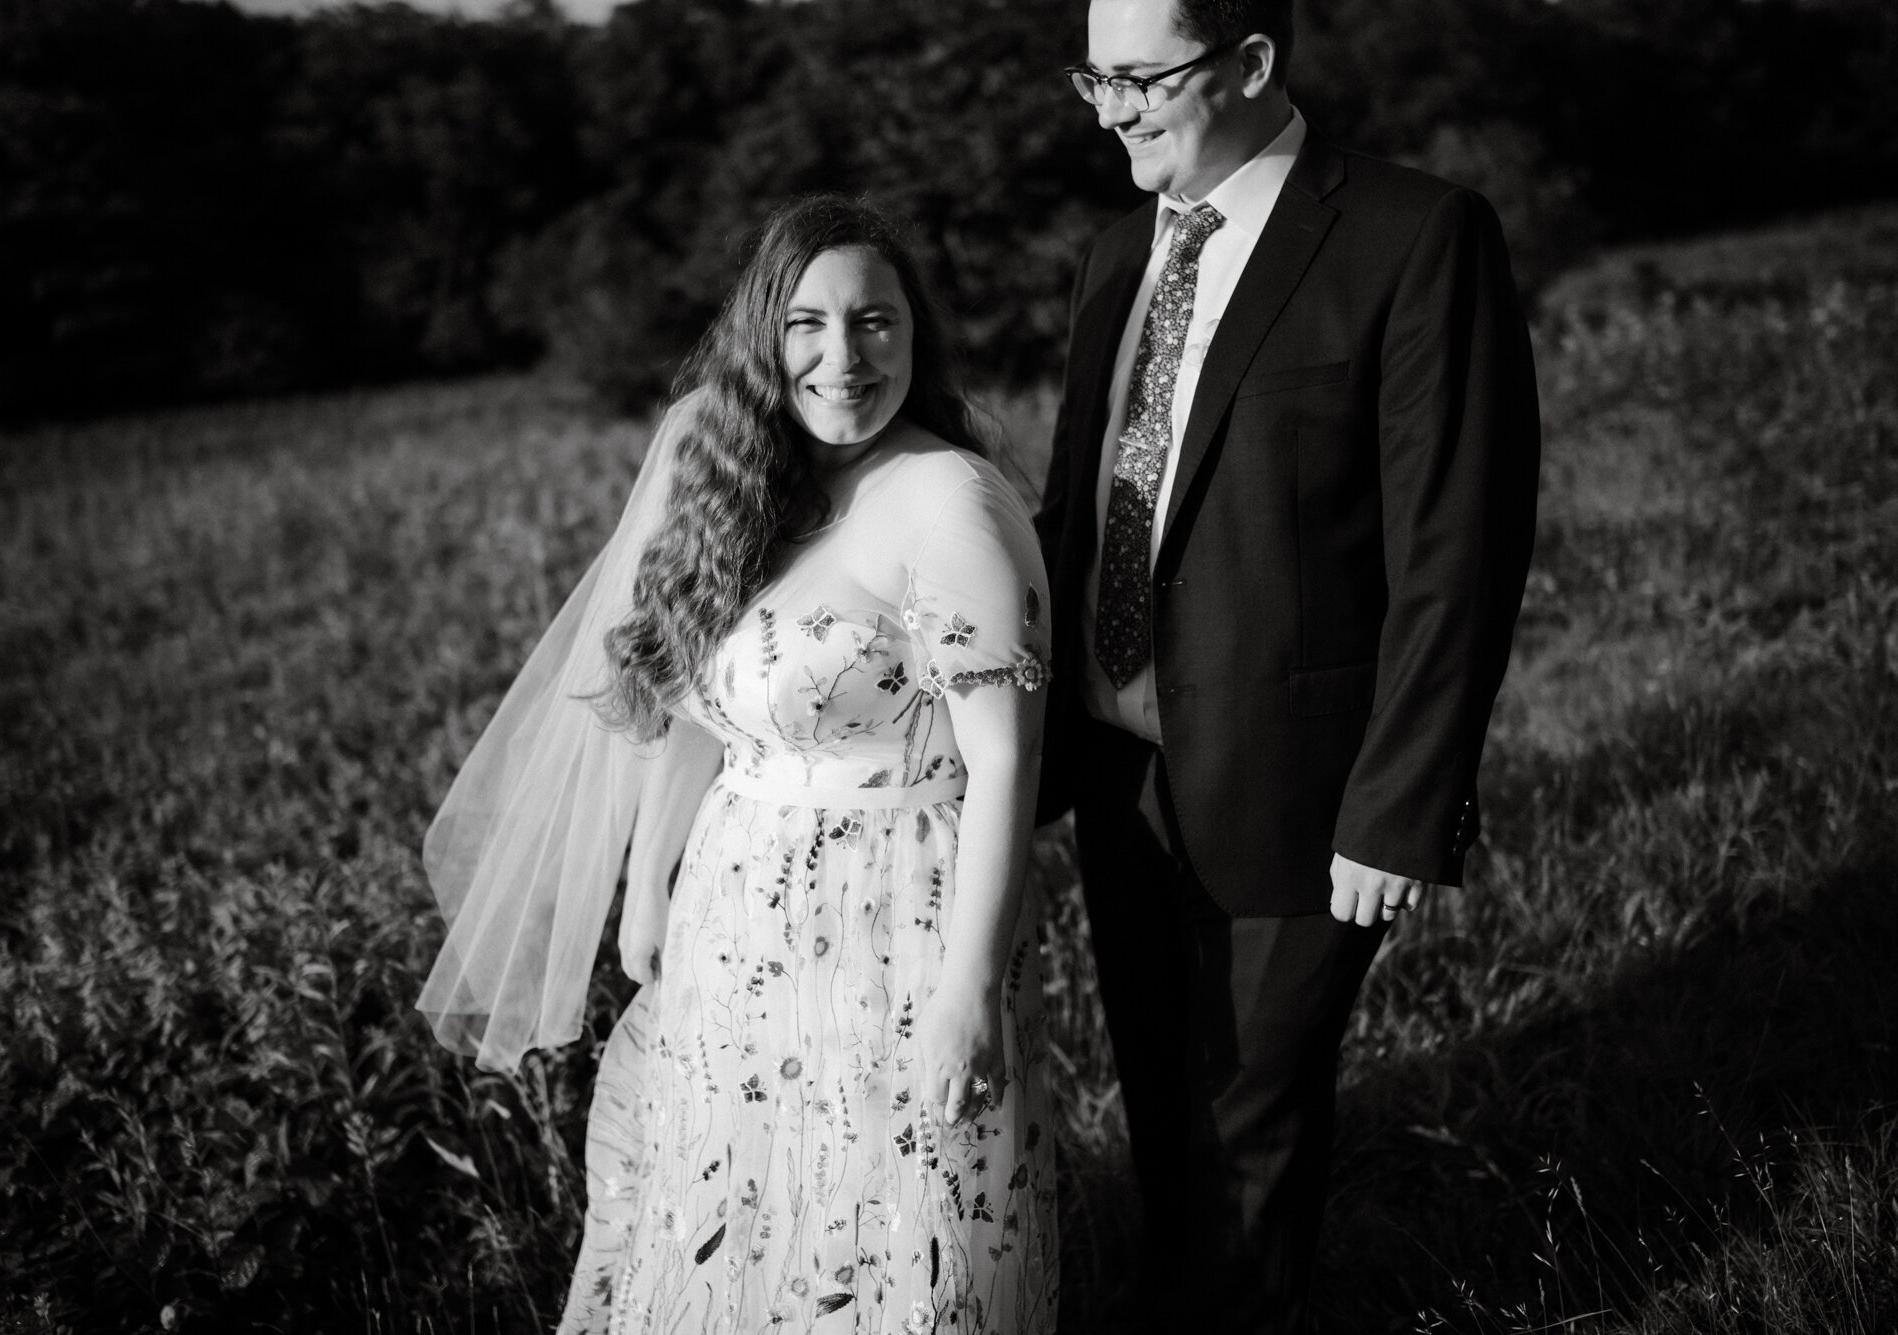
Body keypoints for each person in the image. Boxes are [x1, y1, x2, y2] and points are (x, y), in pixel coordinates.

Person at [417, 195, 1060, 1334]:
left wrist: (965, 993)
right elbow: (705, 712)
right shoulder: (749, 482)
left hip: (892, 919)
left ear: (916, 333)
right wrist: (649, 884)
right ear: (764, 336)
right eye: (806, 324)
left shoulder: (946, 501)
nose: (842, 357)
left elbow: (1004, 766)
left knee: (877, 1228)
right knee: (738, 1207)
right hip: (738, 910)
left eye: (874, 322)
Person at [1034, 0, 1541, 1329]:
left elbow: (1459, 552)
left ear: (1254, 60)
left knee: (1250, 1122)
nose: (1111, 108)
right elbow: (1075, 517)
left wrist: (1398, 805)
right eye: (1095, 76)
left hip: (1305, 793)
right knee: (1161, 1102)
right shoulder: (1108, 259)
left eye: (1142, 77)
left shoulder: (1412, 235)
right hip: (1117, 773)